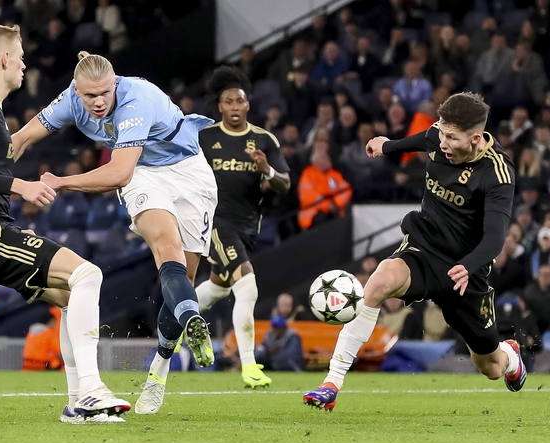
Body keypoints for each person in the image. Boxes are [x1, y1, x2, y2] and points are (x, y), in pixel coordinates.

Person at [10, 51, 218, 415]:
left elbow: (117, 173)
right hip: (144, 174)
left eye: (106, 92)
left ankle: (160, 367)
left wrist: (61, 182)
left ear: (116, 83)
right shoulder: (70, 100)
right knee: (167, 249)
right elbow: (23, 137)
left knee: (183, 278)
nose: (99, 101)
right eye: (90, 95)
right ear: (76, 91)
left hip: (188, 172)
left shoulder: (136, 100)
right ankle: (191, 319)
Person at [0, 24, 128, 424]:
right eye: (21, 56)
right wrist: (21, 186)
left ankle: (78, 406)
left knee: (69, 297)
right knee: (88, 274)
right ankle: (91, 390)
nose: (25, 64)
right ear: (5, 58)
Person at [304, 92, 525, 411]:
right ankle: (331, 383)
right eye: (442, 132)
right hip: (424, 247)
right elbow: (424, 138)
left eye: (452, 138)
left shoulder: (497, 172)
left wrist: (469, 265)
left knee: (490, 367)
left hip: (465, 271)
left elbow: (495, 237)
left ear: (476, 139)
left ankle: (511, 356)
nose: (443, 142)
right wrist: (387, 146)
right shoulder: (438, 136)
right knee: (378, 283)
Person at [195, 66, 291, 389]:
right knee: (247, 285)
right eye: (228, 102)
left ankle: (175, 317)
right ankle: (249, 366)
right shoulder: (204, 138)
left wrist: (267, 169)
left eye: (239, 101)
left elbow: (285, 185)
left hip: (248, 226)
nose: (235, 107)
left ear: (248, 104)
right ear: (220, 106)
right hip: (214, 223)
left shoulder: (264, 140)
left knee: (218, 288)